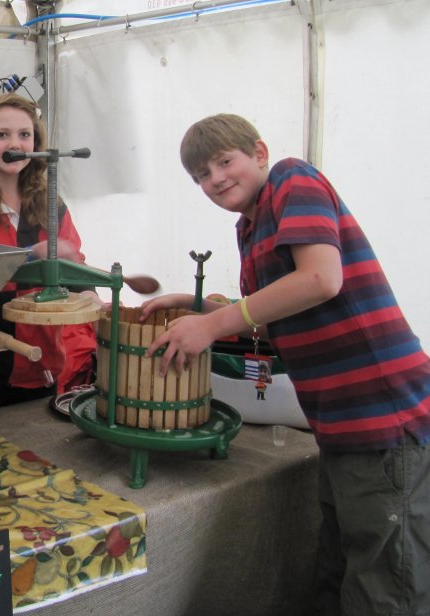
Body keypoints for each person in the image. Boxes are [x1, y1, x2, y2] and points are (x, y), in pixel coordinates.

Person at [142, 113, 430, 614]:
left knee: (388, 584)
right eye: (201, 176)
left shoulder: (292, 179)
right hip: (340, 425)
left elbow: (321, 280)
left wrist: (211, 327)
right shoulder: (250, 228)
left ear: (259, 152)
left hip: (384, 419)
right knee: (339, 567)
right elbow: (278, 321)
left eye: (223, 162)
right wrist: (199, 310)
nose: (215, 180)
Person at [0, 93, 103, 410]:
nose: (16, 144)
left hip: (47, 364)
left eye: (25, 135)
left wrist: (92, 299)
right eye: (2, 134)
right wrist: (28, 256)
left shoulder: (50, 204)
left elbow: (74, 266)